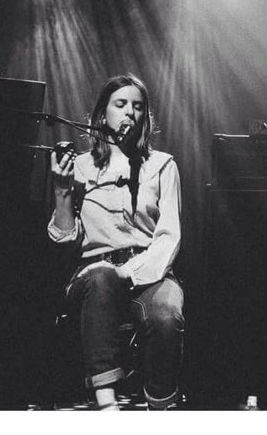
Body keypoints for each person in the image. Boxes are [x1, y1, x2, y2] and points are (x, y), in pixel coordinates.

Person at [48, 73, 184, 411]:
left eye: (138, 107)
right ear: (101, 115)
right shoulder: (79, 166)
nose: (130, 113)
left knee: (166, 313)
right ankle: (108, 406)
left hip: (149, 271)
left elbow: (168, 236)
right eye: (120, 104)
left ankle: (161, 406)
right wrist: (62, 190)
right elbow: (65, 242)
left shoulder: (161, 165)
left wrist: (129, 273)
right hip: (92, 274)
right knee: (102, 275)